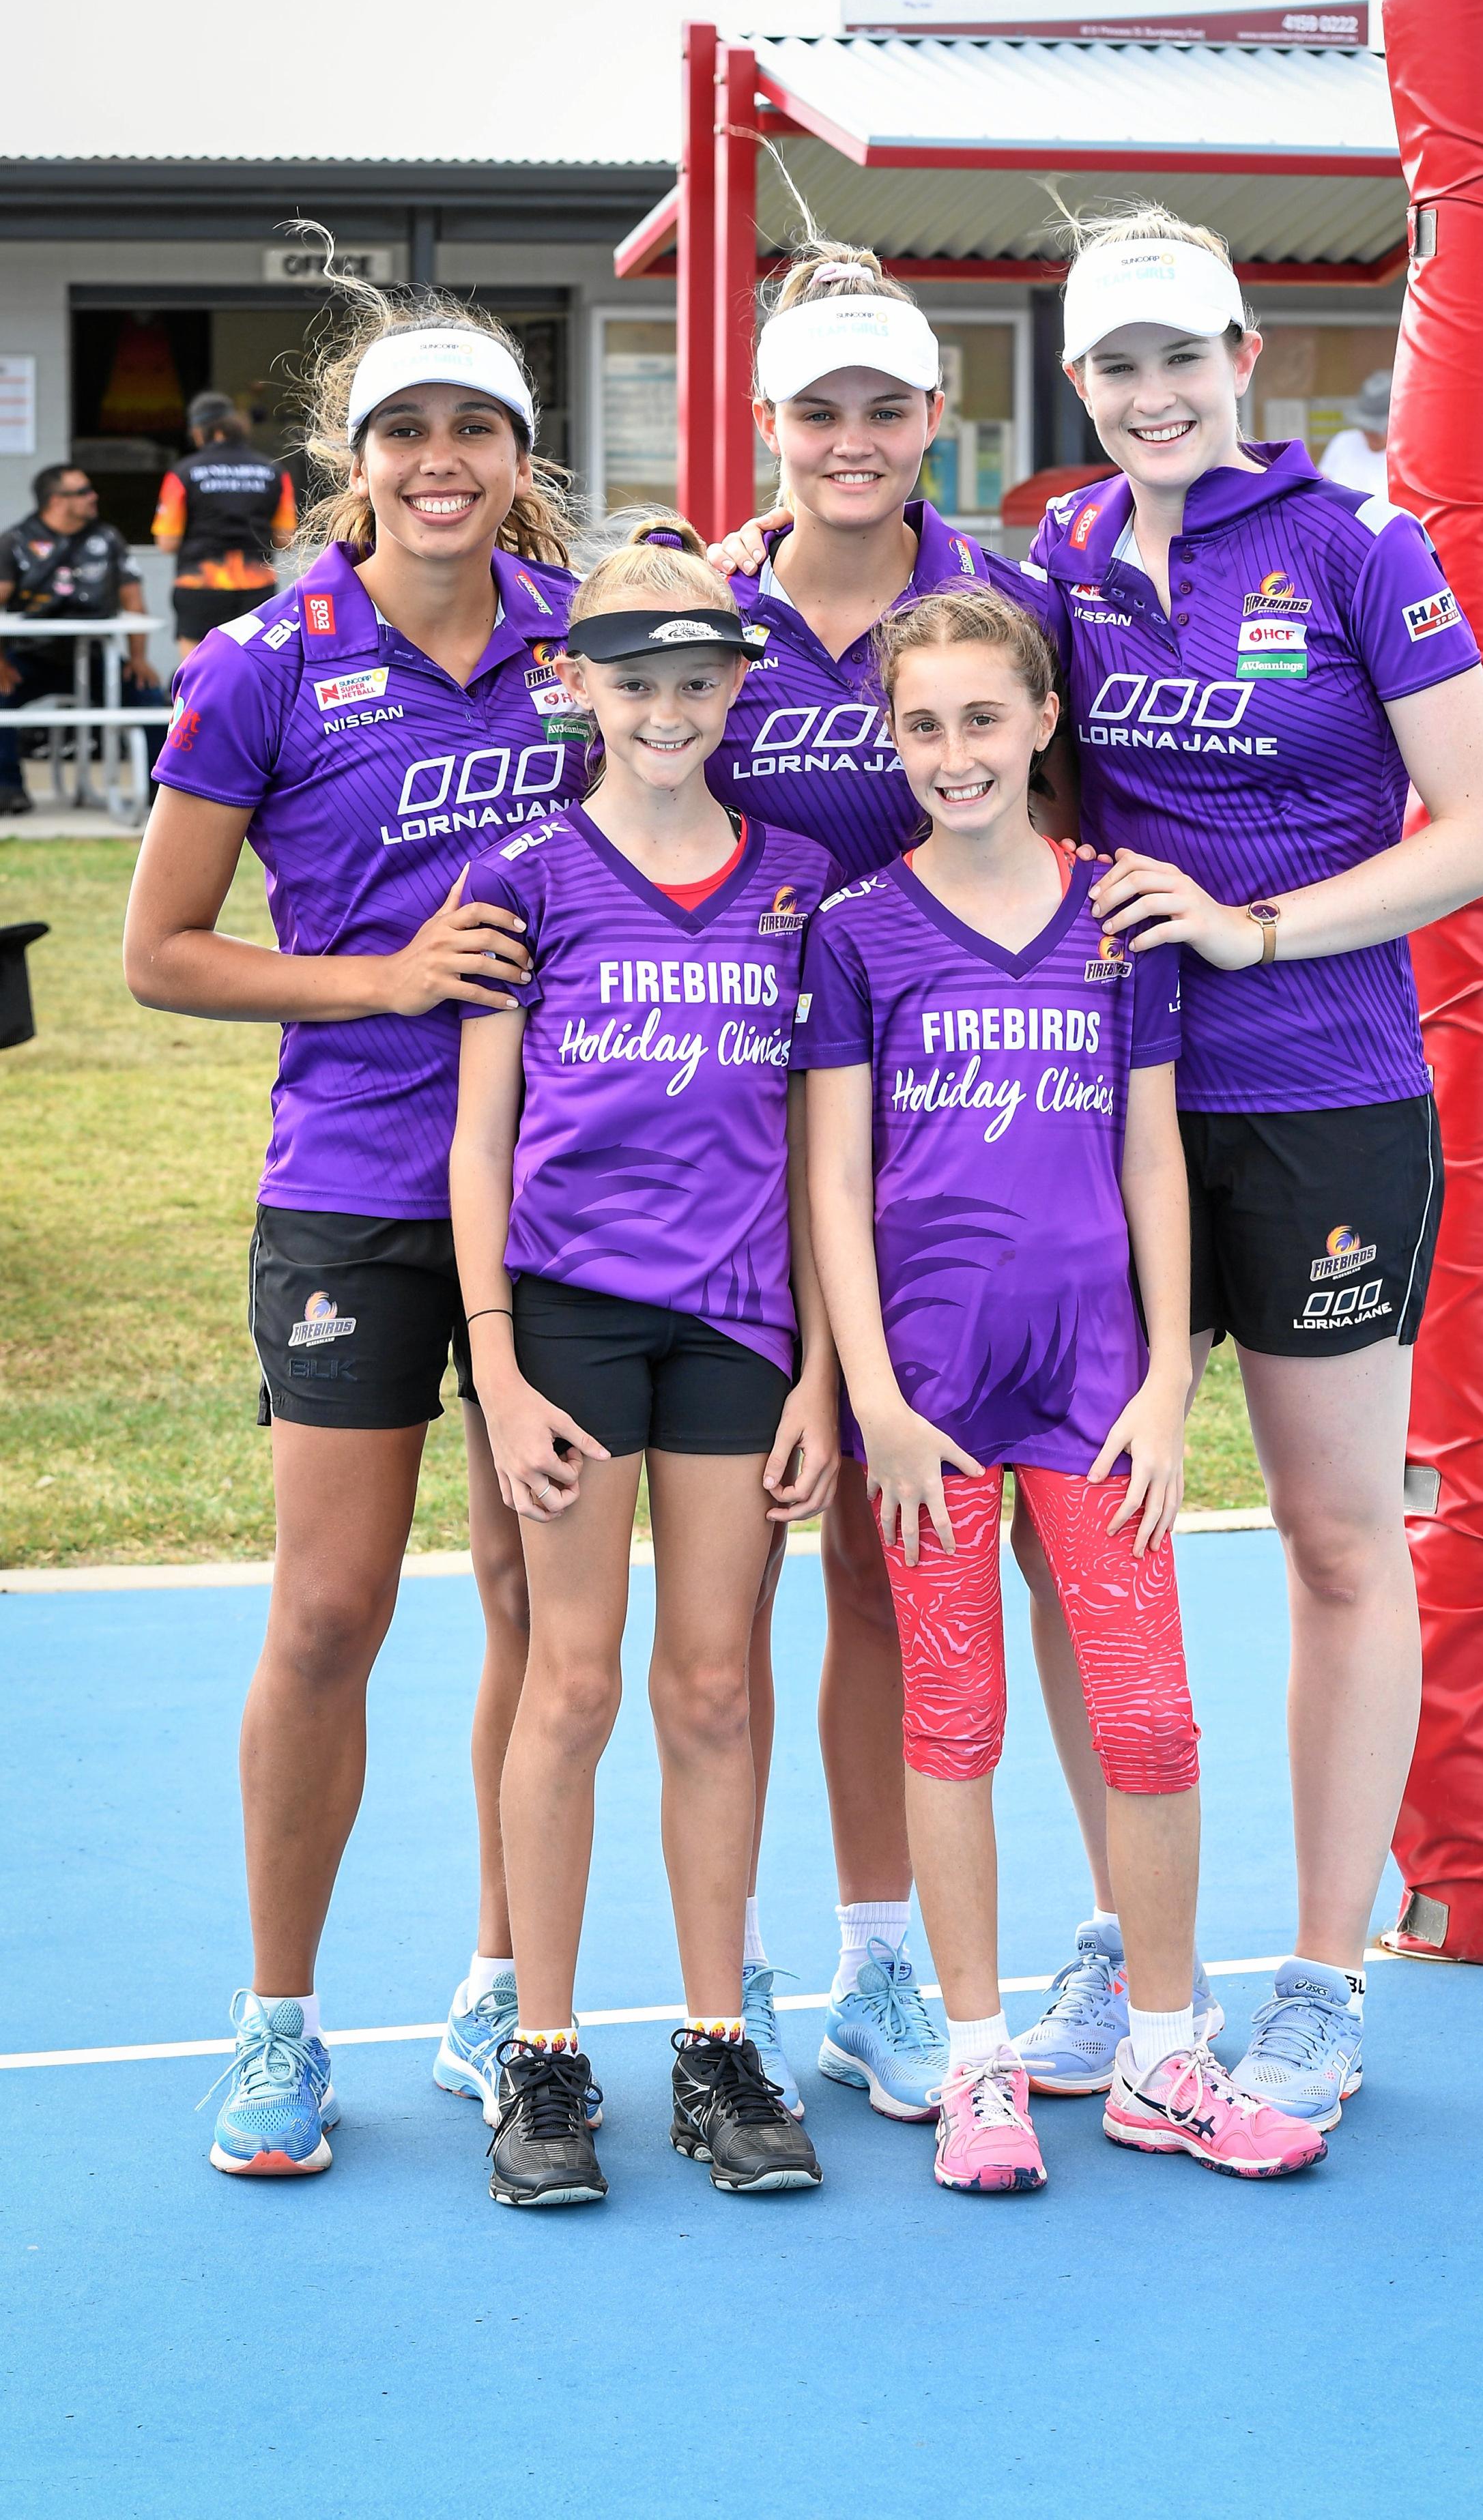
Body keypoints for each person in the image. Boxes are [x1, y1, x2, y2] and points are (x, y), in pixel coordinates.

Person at [705, 241, 1219, 2126]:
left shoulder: (1002, 606)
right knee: (865, 1572)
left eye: (884, 407)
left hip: (1009, 1140)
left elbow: (1085, 814)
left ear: (932, 420)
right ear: (773, 427)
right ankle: (882, 1963)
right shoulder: (709, 612)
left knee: (1093, 1583)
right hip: (783, 1146)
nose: (850, 440)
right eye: (815, 409)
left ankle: (1117, 1963)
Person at [1031, 205, 1483, 2128]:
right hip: (1114, 1106)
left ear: (1242, 355)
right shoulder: (1066, 552)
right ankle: (1115, 1935)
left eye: (1182, 353)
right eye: (1116, 364)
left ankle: (1318, 1982)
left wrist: (1259, 931)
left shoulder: (1355, 546)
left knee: (1335, 1537)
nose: (1152, 391)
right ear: (1078, 386)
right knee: (1091, 1533)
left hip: (1321, 1092)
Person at [124, 283, 584, 2175]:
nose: (442, 464)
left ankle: (494, 1991)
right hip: (352, 1193)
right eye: (407, 433)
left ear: (517, 458)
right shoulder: (267, 663)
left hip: (561, 1195)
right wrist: (382, 983)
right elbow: (159, 953)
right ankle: (280, 2024)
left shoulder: (590, 644)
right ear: (355, 461)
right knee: (330, 1612)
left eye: (474, 429)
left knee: (524, 1600)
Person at [800, 583, 1328, 2191]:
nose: (953, 751)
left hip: (1098, 1391)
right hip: (935, 1403)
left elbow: (1150, 1152)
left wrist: (1168, 1377)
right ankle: (974, 2065)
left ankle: (1163, 2057)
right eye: (922, 725)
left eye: (981, 718)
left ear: (1041, 723)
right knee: (951, 1721)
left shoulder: (1116, 915)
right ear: (893, 746)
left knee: (1149, 1720)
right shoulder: (855, 931)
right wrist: (877, 1403)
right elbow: (830, 1183)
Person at [450, 518, 836, 2205]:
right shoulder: (522, 879)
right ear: (575, 686)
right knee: (574, 1677)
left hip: (744, 1325)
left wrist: (823, 1375)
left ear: (735, 690)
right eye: (633, 680)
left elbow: (831, 1160)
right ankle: (538, 2056)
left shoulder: (795, 881)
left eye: (695, 679)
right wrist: (498, 1365)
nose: (665, 707)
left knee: (712, 1683)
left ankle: (711, 2041)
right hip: (569, 1323)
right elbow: (477, 1147)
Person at [0, 463, 162, 814]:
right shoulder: (16, 541)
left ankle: (161, 793)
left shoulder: (107, 539)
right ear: (56, 500)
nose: (94, 497)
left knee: (154, 700)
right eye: (83, 492)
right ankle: (9, 790)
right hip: (30, 658)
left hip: (94, 660)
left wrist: (138, 658)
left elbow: (133, 600)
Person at [152, 394, 298, 661]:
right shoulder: (274, 471)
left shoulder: (184, 472)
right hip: (258, 590)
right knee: (257, 672)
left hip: (199, 586)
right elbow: (285, 539)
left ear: (201, 431)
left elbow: (167, 542)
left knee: (198, 677)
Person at [1318, 371, 1391, 499]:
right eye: (1365, 426)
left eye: (1376, 429)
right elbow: (1321, 488)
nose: (1369, 433)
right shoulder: (1343, 442)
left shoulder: (1406, 456)